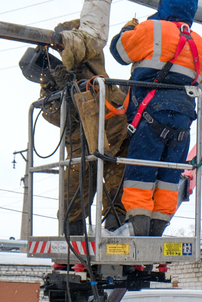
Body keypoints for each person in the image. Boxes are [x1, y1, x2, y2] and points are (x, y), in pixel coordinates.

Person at [108, 0, 202, 236]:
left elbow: (119, 51)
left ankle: (137, 226)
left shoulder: (151, 30)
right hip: (183, 123)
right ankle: (157, 230)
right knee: (169, 175)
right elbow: (200, 85)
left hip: (149, 117)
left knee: (141, 173)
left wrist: (128, 30)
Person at [36, 0, 129, 234]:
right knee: (75, 194)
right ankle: (73, 234)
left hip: (112, 141)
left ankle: (114, 231)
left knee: (117, 188)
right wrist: (53, 90)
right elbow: (54, 117)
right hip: (82, 146)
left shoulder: (103, 87)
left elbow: (113, 112)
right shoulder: (59, 85)